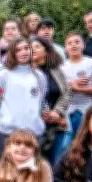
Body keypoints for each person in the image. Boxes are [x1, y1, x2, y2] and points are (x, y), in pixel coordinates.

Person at [0, 38, 46, 164]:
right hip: (7, 132)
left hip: (33, 132)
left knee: (30, 171)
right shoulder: (3, 74)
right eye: (18, 50)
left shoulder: (39, 76)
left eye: (26, 48)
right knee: (5, 171)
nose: (23, 52)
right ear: (12, 53)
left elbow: (40, 101)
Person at [29, 37, 72, 165]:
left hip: (57, 126)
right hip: (33, 127)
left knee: (56, 164)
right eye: (30, 47)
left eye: (37, 46)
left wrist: (57, 112)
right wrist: (43, 113)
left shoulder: (56, 70)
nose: (33, 49)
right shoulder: (25, 72)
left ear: (46, 51)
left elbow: (67, 93)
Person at [62, 33, 92, 135]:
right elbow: (60, 89)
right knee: (68, 141)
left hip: (88, 107)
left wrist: (77, 88)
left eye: (77, 42)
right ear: (65, 48)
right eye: (69, 43)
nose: (73, 45)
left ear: (83, 45)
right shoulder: (61, 66)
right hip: (68, 109)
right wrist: (72, 84)